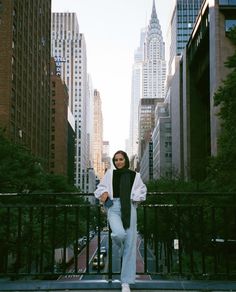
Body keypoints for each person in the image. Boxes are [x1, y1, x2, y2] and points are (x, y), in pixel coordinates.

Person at [94, 150, 147, 292]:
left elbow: (142, 191)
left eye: (121, 159)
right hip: (114, 208)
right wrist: (105, 196)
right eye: (116, 160)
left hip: (129, 207)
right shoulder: (110, 174)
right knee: (119, 234)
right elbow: (99, 189)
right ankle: (121, 246)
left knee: (130, 245)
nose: (118, 162)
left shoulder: (135, 176)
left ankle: (126, 282)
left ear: (126, 160)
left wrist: (134, 197)